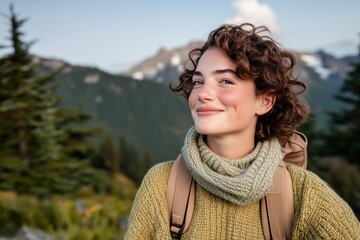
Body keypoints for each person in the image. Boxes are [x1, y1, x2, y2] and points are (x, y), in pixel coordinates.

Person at [125, 23, 360, 239]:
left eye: (225, 81)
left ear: (265, 101)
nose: (203, 93)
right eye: (198, 81)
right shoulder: (161, 184)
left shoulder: (304, 194)